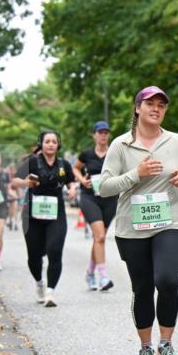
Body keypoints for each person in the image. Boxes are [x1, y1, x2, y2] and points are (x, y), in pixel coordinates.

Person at [97, 86, 178, 355]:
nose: (156, 109)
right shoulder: (121, 145)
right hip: (132, 228)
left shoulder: (177, 142)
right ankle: (145, 347)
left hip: (170, 223)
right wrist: (136, 174)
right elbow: (104, 187)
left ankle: (166, 344)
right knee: (143, 289)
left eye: (161, 105)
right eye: (150, 104)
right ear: (137, 108)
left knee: (168, 280)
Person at [11, 132, 77, 307]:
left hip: (56, 213)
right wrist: (26, 183)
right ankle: (39, 282)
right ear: (41, 144)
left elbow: (71, 181)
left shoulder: (64, 164)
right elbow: (14, 181)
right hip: (32, 213)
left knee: (54, 250)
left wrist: (72, 189)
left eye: (54, 141)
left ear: (58, 145)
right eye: (47, 141)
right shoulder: (32, 162)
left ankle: (50, 292)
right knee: (34, 256)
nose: (51, 144)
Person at [73, 121, 118, 291]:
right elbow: (75, 168)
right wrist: (81, 180)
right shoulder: (86, 154)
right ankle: (103, 277)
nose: (103, 136)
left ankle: (90, 273)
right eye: (100, 132)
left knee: (99, 238)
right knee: (99, 236)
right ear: (94, 135)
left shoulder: (114, 153)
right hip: (90, 198)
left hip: (110, 199)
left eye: (106, 132)